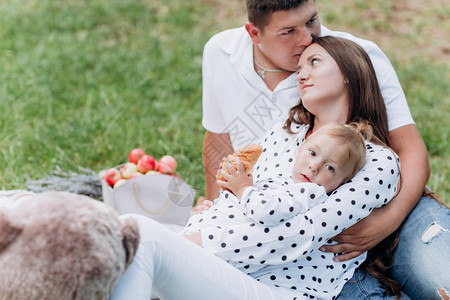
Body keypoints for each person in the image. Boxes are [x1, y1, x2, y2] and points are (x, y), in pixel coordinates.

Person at [109, 36, 402, 300]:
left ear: (350, 74)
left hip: (280, 288)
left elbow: (300, 235)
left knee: (142, 235)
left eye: (314, 62)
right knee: (131, 242)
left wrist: (202, 241)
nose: (302, 73)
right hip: (229, 269)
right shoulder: (287, 133)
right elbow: (245, 195)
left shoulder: (377, 161)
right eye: (299, 67)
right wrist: (215, 210)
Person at [197, 1, 449, 298]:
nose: (306, 39)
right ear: (254, 33)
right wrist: (217, 209)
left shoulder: (349, 53)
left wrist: (386, 220)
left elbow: (411, 150)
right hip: (309, 236)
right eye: (288, 31)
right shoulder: (223, 56)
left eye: (312, 21)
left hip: (395, 203)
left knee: (439, 278)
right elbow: (219, 142)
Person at [184, 121, 373, 238]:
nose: (315, 166)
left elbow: (267, 212)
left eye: (330, 167)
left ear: (342, 182)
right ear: (300, 149)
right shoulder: (283, 180)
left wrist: (242, 188)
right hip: (203, 232)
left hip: (215, 246)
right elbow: (247, 205)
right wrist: (218, 206)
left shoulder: (309, 192)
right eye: (313, 153)